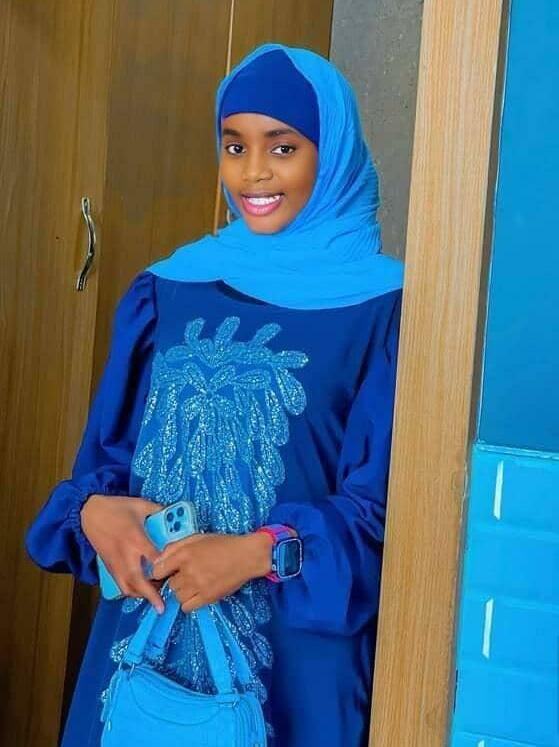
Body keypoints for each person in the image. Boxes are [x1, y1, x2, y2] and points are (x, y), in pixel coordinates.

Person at [25, 42, 405, 747]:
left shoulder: (384, 308)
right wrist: (93, 511)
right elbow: (105, 466)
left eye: (282, 147)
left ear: (331, 154)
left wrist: (258, 553)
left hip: (294, 669)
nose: (253, 171)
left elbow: (387, 517)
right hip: (143, 648)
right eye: (235, 146)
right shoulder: (167, 290)